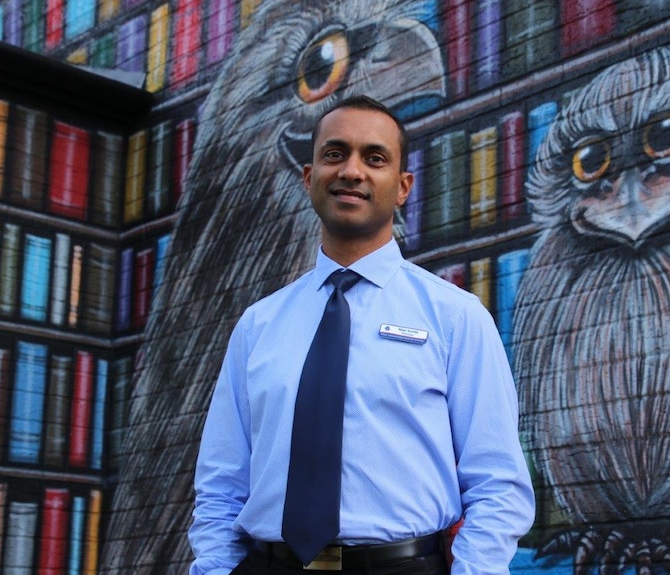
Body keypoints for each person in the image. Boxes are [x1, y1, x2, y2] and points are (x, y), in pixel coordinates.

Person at [188, 95, 535, 575]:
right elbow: (222, 484)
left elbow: (499, 483)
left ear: (402, 187)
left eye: (375, 158)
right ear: (310, 178)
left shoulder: (456, 317)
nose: (352, 171)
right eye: (335, 154)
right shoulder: (257, 326)